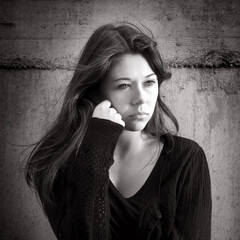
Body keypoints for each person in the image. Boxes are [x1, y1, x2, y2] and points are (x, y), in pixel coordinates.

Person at [25, 22, 212, 240]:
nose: (141, 98)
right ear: (94, 92)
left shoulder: (187, 160)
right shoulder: (61, 164)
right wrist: (95, 151)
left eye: (149, 83)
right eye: (124, 85)